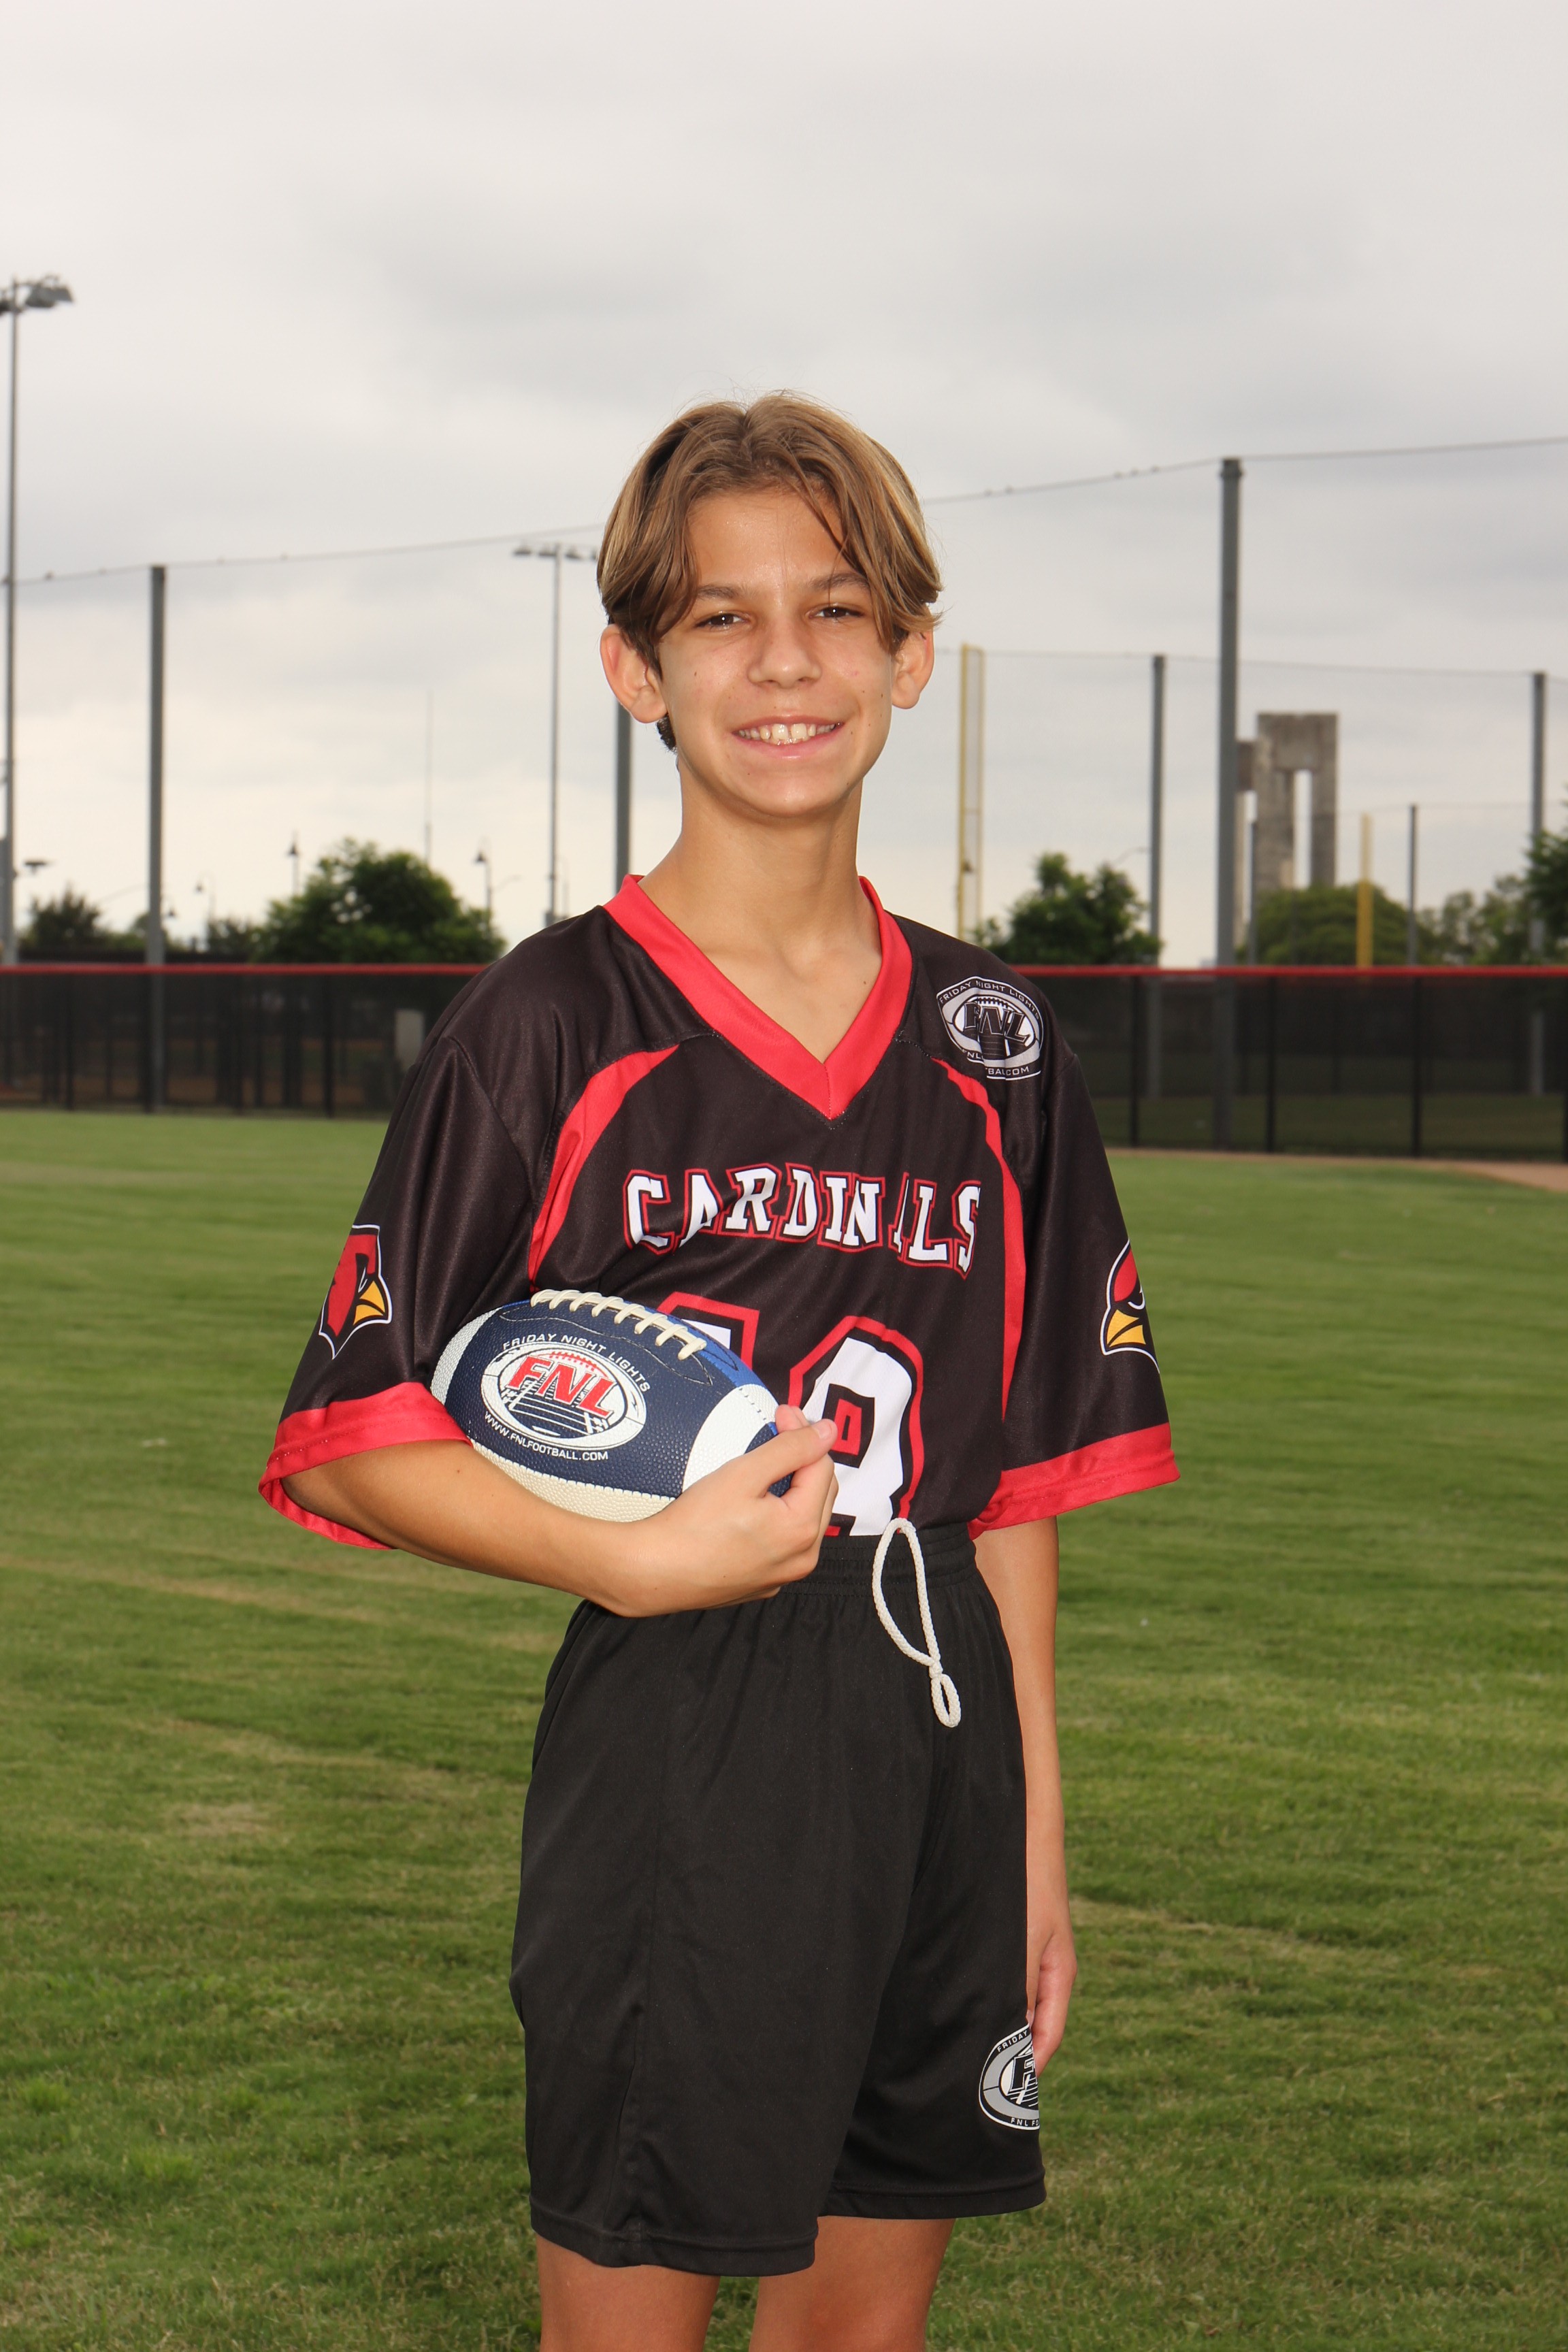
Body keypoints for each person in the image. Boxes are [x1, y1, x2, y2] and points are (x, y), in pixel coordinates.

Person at [262, 394, 1177, 2352]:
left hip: (937, 1715)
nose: (784, 663)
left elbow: (1011, 1487)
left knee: (866, 2331)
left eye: (836, 611)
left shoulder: (997, 1041)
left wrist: (1033, 1830)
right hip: (684, 1724)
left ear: (909, 656)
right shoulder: (551, 1022)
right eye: (720, 619)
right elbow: (345, 1440)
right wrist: (629, 1558)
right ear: (637, 673)